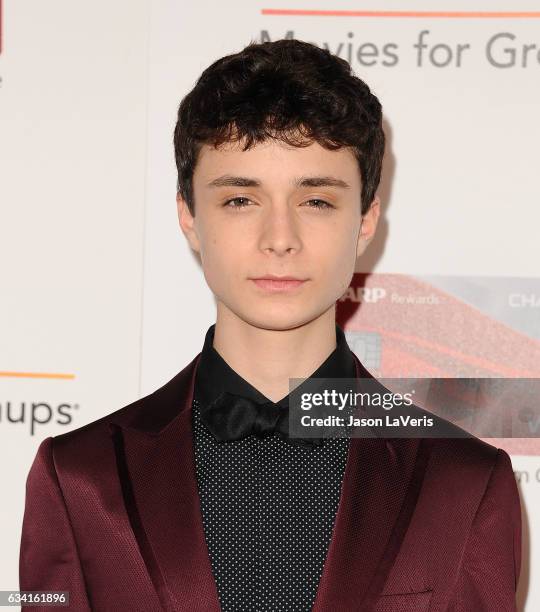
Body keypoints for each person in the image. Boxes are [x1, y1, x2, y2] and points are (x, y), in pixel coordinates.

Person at [19, 38, 521, 611]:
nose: (279, 239)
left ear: (365, 221)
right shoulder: (81, 480)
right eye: (240, 199)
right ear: (188, 214)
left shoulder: (463, 485)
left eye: (316, 201)